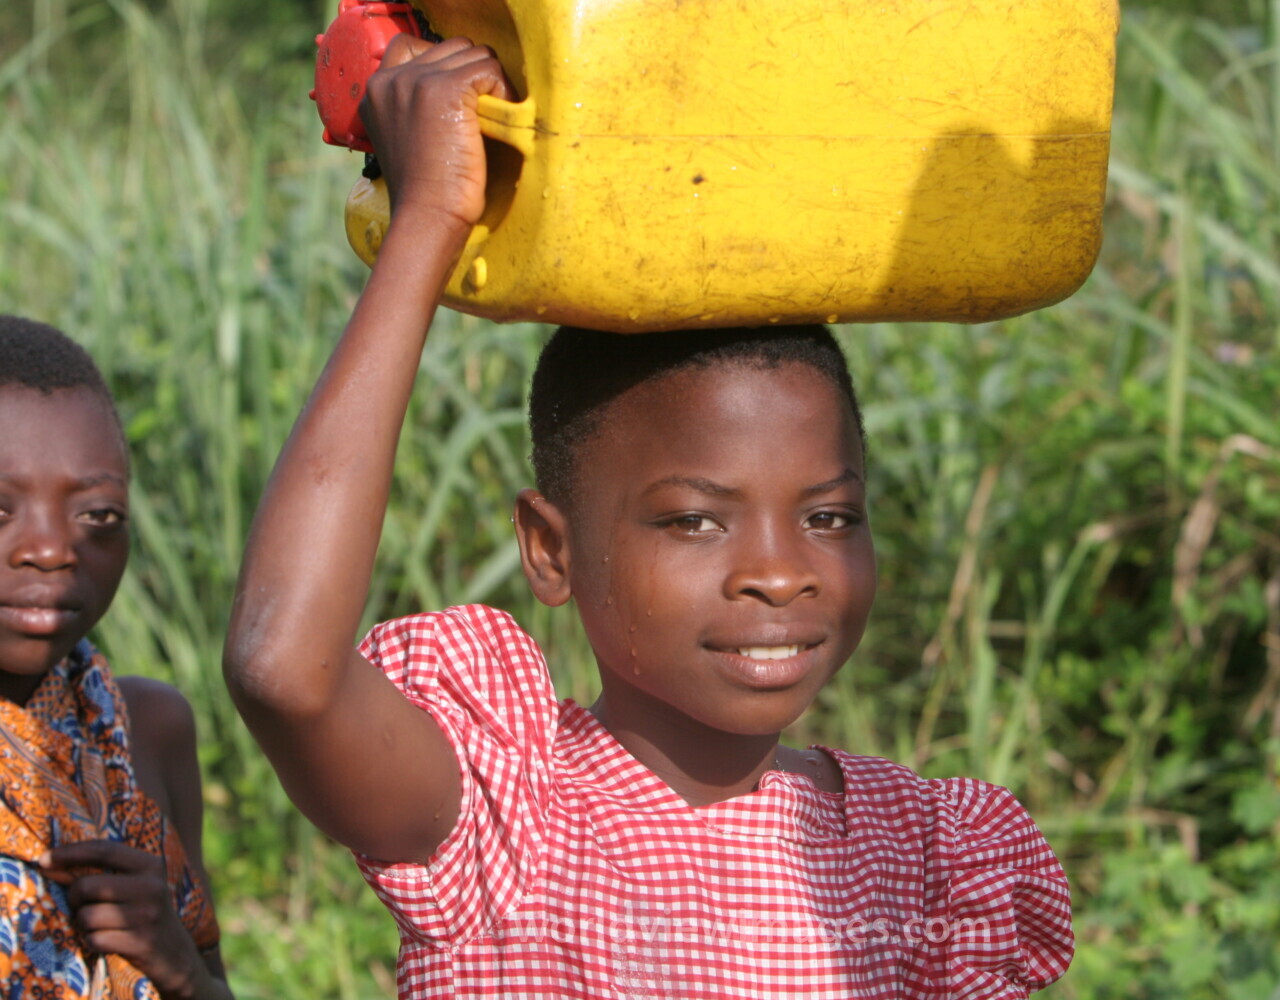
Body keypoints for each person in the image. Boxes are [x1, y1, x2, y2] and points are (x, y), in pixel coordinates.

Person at [222, 36, 1072, 1000]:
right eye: (695, 522)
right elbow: (285, 668)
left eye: (830, 518)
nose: (780, 571)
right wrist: (429, 219)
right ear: (551, 550)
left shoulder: (927, 857)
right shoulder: (506, 820)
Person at [0, 317, 230, 999]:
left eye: (97, 515)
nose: (50, 549)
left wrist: (178, 965)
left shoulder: (147, 731)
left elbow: (214, 986)